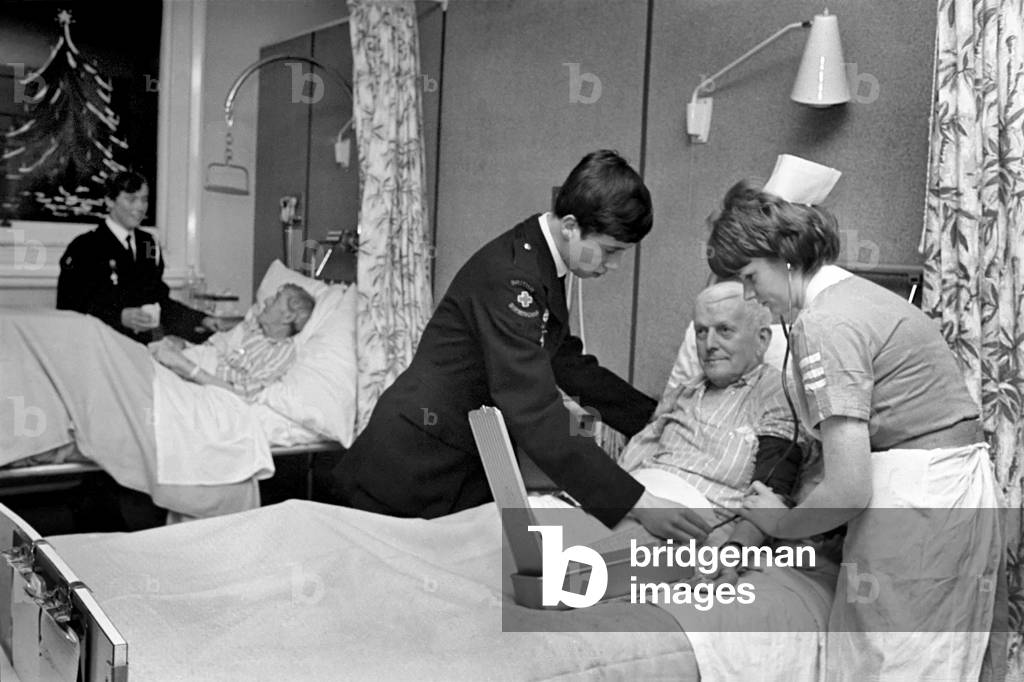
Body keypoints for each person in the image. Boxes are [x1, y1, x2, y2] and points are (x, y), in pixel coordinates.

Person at [320, 149, 712, 541]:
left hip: (456, 459)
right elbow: (536, 411)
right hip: (412, 462)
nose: (613, 266)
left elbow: (566, 363)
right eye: (610, 251)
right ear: (571, 226)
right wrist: (635, 501)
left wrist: (655, 418)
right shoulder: (513, 278)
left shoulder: (539, 262)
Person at [706, 178, 1002, 681]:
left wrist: (778, 523)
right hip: (950, 491)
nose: (752, 295)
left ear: (786, 257)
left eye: (752, 277)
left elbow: (848, 487)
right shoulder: (861, 297)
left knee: (891, 665)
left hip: (918, 501)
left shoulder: (825, 324)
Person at [616, 281, 803, 577]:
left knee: (575, 563)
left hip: (688, 525)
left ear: (762, 339)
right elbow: (636, 454)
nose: (709, 344)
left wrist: (733, 553)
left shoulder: (777, 394)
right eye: (701, 331)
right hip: (632, 500)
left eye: (724, 330)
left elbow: (772, 492)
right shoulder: (684, 391)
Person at [57, 171, 224, 344]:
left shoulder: (148, 244)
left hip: (141, 348)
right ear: (109, 201)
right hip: (100, 349)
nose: (140, 207)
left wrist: (200, 319)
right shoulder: (85, 247)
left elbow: (160, 301)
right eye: (131, 199)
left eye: (144, 199)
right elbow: (71, 307)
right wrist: (119, 316)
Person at [150, 283, 314, 398]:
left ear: (288, 316)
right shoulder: (252, 328)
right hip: (185, 364)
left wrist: (188, 368)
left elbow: (245, 393)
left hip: (199, 382)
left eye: (276, 298)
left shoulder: (281, 352)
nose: (266, 300)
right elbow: (213, 347)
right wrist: (183, 346)